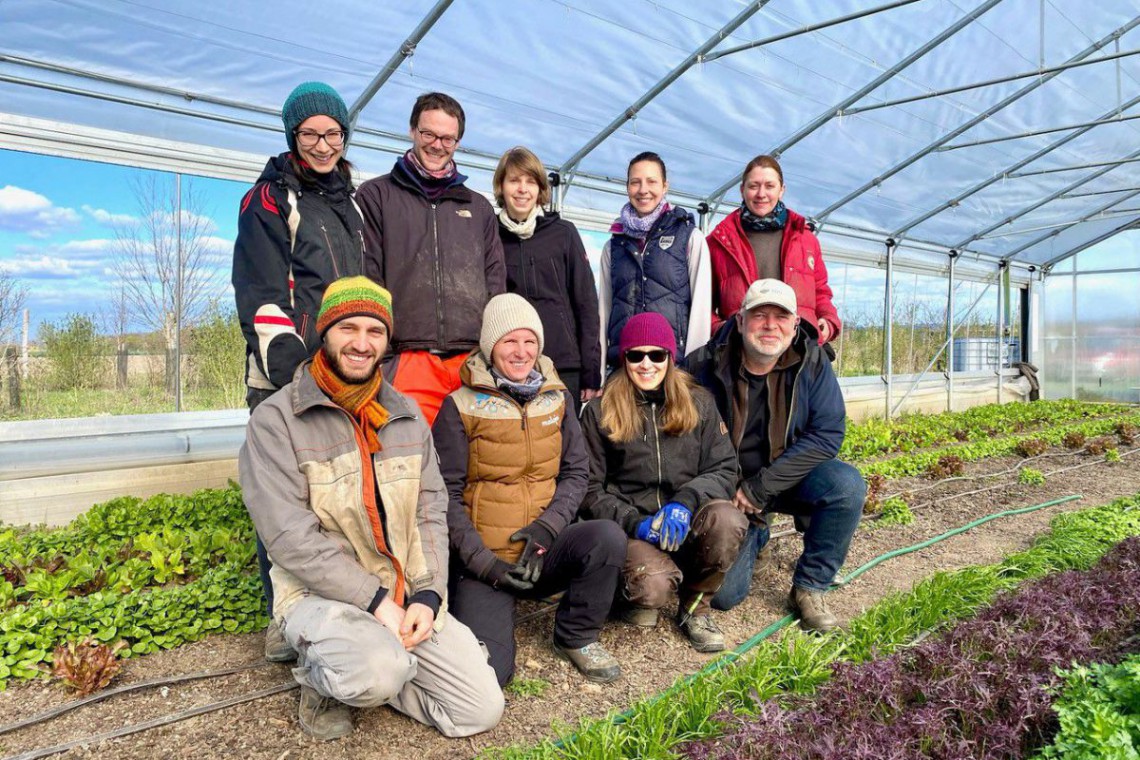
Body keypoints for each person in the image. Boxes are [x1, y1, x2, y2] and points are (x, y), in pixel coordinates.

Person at [239, 277, 503, 741]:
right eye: (349, 329)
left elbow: (430, 510)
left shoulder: (404, 414)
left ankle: (382, 671)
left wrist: (427, 595)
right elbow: (287, 537)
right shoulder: (277, 421)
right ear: (325, 333)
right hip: (318, 596)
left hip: (399, 591)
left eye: (375, 332)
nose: (362, 343)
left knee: (480, 709)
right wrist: (375, 601)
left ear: (386, 340)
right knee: (376, 670)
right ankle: (328, 675)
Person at [231, 81, 365, 663]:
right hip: (286, 376)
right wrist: (292, 370)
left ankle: (333, 601)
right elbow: (259, 292)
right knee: (283, 498)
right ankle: (280, 611)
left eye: (332, 134)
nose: (322, 144)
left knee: (338, 495)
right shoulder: (268, 199)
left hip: (345, 375)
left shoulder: (350, 204)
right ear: (292, 136)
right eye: (310, 133)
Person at [433, 294, 627, 686]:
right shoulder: (459, 406)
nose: (521, 352)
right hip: (486, 562)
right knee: (491, 676)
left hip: (541, 551)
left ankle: (576, 636)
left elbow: (576, 472)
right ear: (490, 346)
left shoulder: (556, 399)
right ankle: (481, 609)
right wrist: (486, 565)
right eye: (509, 341)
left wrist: (546, 530)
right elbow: (443, 496)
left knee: (606, 536)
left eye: (529, 341)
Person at [686, 279, 865, 632]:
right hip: (728, 489)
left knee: (846, 486)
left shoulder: (812, 362)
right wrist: (723, 493)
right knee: (724, 597)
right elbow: (682, 435)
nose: (770, 325)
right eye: (759, 315)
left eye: (781, 317)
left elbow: (828, 434)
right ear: (739, 321)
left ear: (795, 324)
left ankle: (810, 587)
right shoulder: (704, 364)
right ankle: (756, 531)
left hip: (787, 477)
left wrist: (760, 489)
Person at [580, 312, 746, 653]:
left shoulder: (699, 403)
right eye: (635, 355)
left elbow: (726, 469)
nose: (646, 364)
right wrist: (635, 524)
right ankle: (643, 586)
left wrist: (685, 502)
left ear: (670, 359)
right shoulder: (600, 411)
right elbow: (589, 488)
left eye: (657, 355)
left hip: (687, 520)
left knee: (728, 520)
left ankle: (694, 607)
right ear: (623, 358)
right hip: (636, 526)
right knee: (651, 590)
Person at [356, 91, 506, 425]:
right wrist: (383, 354)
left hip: (470, 360)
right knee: (408, 457)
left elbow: (495, 283)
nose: (438, 145)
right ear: (412, 131)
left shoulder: (478, 207)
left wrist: (492, 352)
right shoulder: (376, 196)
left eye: (448, 138)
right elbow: (368, 278)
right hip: (408, 357)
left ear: (458, 141)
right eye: (429, 134)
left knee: (474, 461)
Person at [493, 146, 602, 412]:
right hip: (510, 364)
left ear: (540, 189)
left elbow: (586, 304)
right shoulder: (490, 235)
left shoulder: (563, 233)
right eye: (514, 180)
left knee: (565, 445)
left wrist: (590, 371)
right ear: (501, 186)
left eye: (530, 181)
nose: (522, 189)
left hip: (563, 365)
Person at [708, 155, 841, 345]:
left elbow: (820, 291)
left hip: (800, 349)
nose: (761, 194)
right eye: (754, 186)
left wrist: (828, 321)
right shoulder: (718, 243)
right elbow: (703, 304)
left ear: (781, 190)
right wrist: (724, 331)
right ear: (742, 190)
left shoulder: (806, 239)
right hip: (741, 352)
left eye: (769, 186)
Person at [598, 151, 712, 369]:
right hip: (625, 365)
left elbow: (700, 308)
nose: (643, 190)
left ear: (665, 186)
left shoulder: (689, 237)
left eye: (651, 181)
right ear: (627, 187)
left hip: (671, 367)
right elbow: (603, 310)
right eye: (635, 182)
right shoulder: (613, 246)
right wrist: (600, 370)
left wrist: (694, 371)